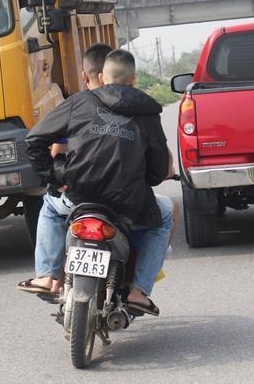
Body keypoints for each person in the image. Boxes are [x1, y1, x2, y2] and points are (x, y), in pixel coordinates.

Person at [19, 48, 174, 316]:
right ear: (133, 80)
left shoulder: (80, 102)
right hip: (128, 204)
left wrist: (54, 178)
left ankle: (46, 275)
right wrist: (144, 180)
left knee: (50, 204)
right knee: (165, 217)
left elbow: (34, 140)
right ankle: (139, 291)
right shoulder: (148, 113)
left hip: (79, 196)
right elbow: (158, 169)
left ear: (102, 77)